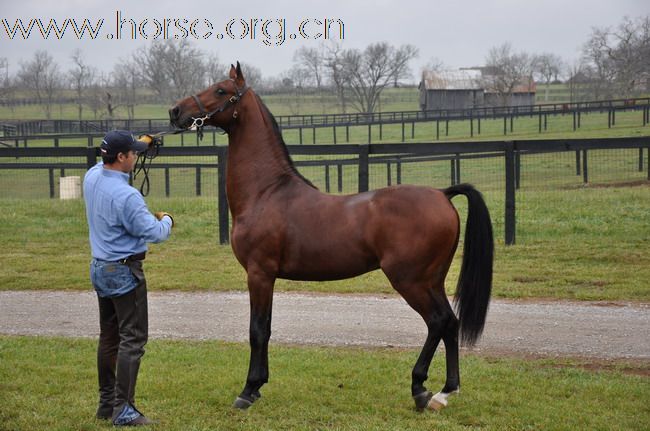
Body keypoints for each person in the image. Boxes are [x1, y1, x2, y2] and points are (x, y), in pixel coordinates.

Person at [83, 130, 173, 426]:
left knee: (109, 337)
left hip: (100, 267)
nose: (136, 155)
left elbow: (105, 164)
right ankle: (124, 410)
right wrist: (167, 219)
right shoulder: (127, 196)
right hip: (124, 271)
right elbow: (155, 233)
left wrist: (143, 143)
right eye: (132, 152)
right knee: (132, 340)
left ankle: (107, 404)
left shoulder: (92, 177)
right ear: (121, 157)